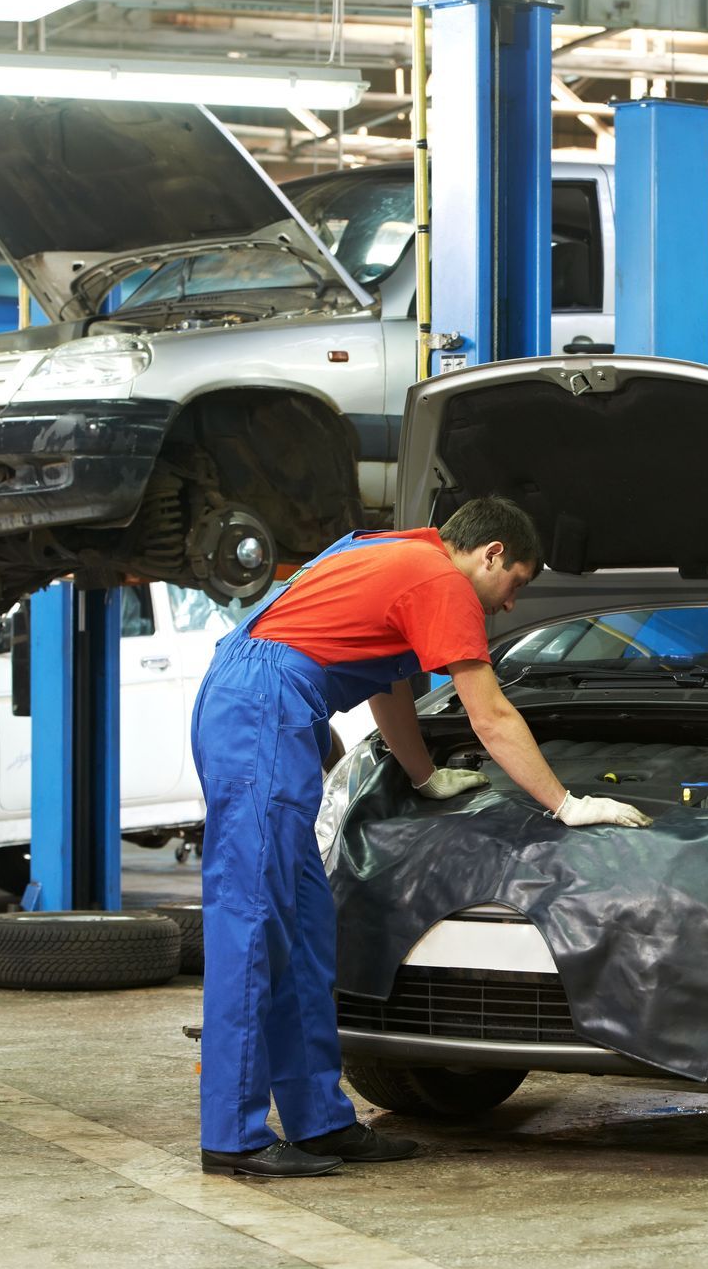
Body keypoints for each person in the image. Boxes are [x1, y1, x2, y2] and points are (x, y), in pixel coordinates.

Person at [191, 496, 652, 1179]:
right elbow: (489, 713)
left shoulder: (391, 552)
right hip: (260, 708)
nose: (507, 606)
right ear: (491, 552)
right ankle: (232, 1135)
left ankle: (319, 1122)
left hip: (262, 700)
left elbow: (390, 685)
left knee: (309, 926)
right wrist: (567, 802)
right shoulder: (441, 580)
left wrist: (424, 774)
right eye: (515, 585)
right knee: (254, 921)